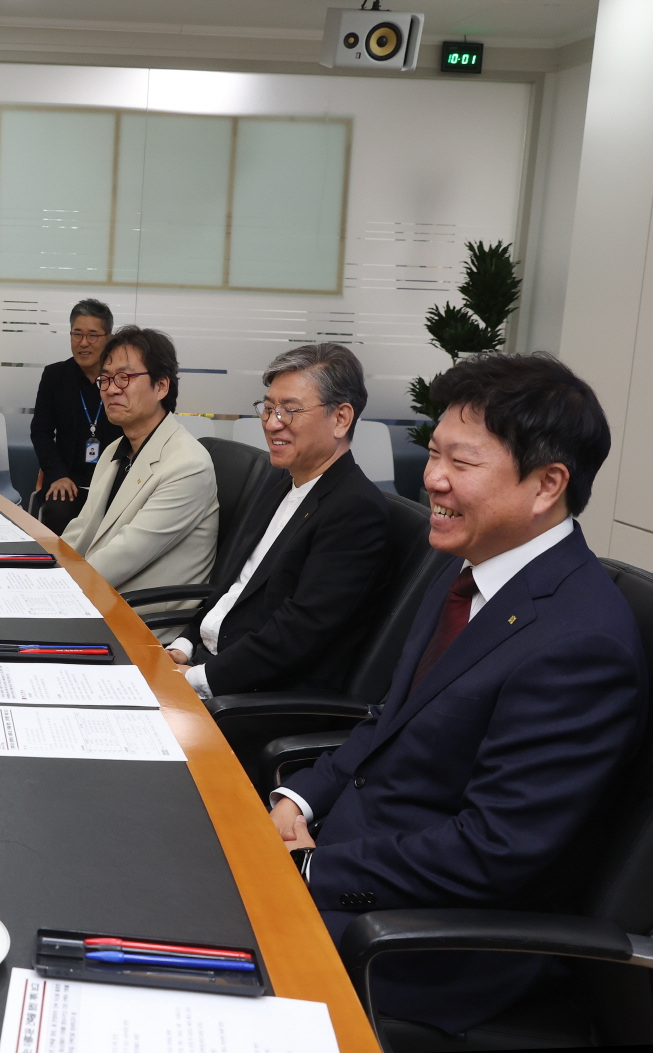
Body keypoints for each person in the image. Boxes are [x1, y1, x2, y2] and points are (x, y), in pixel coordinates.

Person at [273, 353, 644, 1035]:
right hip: (350, 865)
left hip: (419, 945)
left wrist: (312, 869)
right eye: (433, 452)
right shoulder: (470, 574)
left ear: (547, 484)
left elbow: (491, 849)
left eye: (460, 463)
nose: (431, 478)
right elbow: (387, 722)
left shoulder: (581, 639)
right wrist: (298, 798)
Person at [168, 343, 390, 698]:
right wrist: (184, 644)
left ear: (341, 418)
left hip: (255, 698)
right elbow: (231, 588)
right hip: (206, 662)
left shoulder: (356, 510)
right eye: (268, 409)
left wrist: (194, 679)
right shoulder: (281, 479)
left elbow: (296, 636)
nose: (272, 424)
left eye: (289, 411)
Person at [60, 328, 217, 640]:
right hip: (98, 601)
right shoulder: (115, 451)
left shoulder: (187, 465)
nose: (110, 390)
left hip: (139, 625)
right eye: (105, 379)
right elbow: (80, 531)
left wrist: (51, 591)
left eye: (124, 377)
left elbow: (123, 555)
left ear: (161, 386)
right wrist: (38, 571)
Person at [31, 299, 124, 534]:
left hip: (112, 479)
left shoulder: (121, 380)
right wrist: (57, 475)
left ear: (109, 339)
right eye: (77, 334)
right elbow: (40, 431)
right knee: (57, 511)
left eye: (93, 335)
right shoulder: (55, 376)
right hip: (67, 479)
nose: (84, 343)